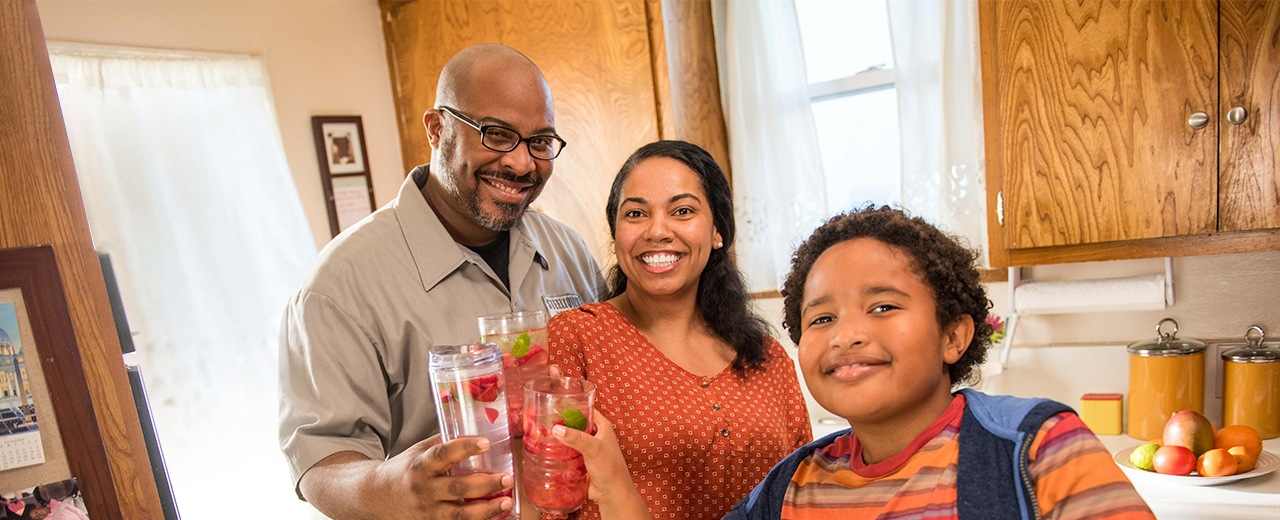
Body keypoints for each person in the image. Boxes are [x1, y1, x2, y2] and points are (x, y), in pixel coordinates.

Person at [558, 206, 1155, 520]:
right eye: (821, 319)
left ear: (954, 334)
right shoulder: (790, 489)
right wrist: (611, 481)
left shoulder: (1035, 449)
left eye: (883, 306)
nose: (846, 335)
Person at [279, 43, 605, 520]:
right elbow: (320, 462)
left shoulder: (568, 250)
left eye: (540, 142)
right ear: (437, 129)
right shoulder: (339, 286)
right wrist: (390, 487)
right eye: (496, 135)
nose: (521, 164)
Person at [547, 140, 813, 520]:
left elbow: (806, 491)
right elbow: (551, 501)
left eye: (682, 210)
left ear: (718, 229)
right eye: (636, 213)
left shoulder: (769, 358)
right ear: (616, 233)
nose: (657, 230)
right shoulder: (576, 337)